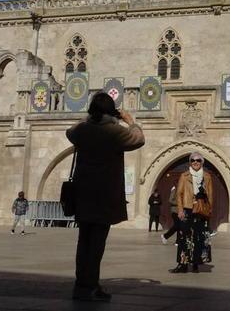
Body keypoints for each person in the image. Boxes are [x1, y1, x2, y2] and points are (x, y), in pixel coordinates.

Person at [67, 92, 145, 302]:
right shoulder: (115, 132)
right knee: (96, 243)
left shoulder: (82, 130)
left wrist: (89, 118)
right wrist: (130, 121)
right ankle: (90, 286)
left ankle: (81, 284)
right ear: (112, 112)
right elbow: (139, 139)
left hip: (83, 193)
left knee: (84, 241)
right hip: (104, 194)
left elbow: (70, 132)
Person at [170, 152, 214, 273]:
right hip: (187, 209)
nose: (195, 162)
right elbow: (179, 194)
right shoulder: (184, 176)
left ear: (202, 162)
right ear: (190, 162)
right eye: (193, 160)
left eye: (198, 160)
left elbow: (210, 195)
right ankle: (182, 264)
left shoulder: (207, 176)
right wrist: (180, 209)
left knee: (199, 238)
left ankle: (196, 263)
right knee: (184, 238)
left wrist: (209, 210)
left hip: (201, 210)